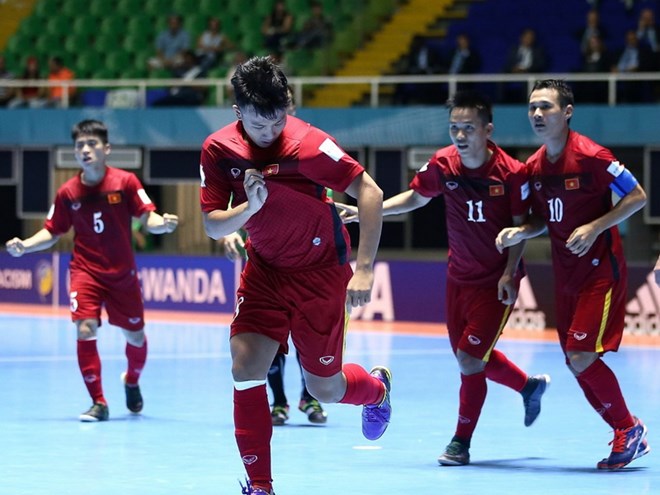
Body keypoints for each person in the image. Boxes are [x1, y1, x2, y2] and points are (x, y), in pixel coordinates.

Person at [198, 56, 390, 495]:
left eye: (277, 121)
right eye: (258, 125)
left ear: (288, 105)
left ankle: (377, 389)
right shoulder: (218, 149)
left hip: (320, 273)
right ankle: (260, 486)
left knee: (325, 389)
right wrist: (250, 209)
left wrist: (363, 270)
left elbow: (370, 192)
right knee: (245, 368)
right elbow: (212, 224)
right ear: (237, 113)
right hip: (264, 269)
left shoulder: (310, 145)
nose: (269, 133)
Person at [337, 90, 550, 467]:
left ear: (488, 130)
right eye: (454, 127)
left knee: (470, 360)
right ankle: (528, 387)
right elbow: (416, 198)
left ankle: (460, 443)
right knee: (470, 357)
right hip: (458, 278)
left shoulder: (512, 174)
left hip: (495, 282)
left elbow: (521, 228)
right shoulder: (443, 165)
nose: (460, 135)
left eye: (469, 128)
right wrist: (365, 212)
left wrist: (508, 272)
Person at [496, 79, 649, 470]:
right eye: (532, 107)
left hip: (601, 270)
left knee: (581, 355)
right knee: (573, 359)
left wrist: (596, 225)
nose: (536, 114)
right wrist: (520, 232)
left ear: (567, 112)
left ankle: (627, 429)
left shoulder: (592, 156)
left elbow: (637, 197)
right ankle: (628, 430)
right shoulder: (533, 168)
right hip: (567, 276)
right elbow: (539, 220)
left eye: (545, 107)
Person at [5, 119, 179, 422]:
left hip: (122, 275)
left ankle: (132, 380)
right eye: (79, 146)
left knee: (135, 337)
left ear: (106, 149)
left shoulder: (126, 182)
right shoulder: (67, 193)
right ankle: (98, 401)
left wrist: (161, 225)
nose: (85, 150)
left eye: (92, 144)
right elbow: (53, 231)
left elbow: (147, 216)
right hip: (85, 272)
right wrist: (26, 245)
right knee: (85, 328)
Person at [218, 87, 328, 426]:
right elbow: (230, 201)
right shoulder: (242, 149)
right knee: (268, 341)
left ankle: (310, 400)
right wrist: (230, 229)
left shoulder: (311, 145)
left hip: (310, 264)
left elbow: (325, 198)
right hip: (266, 261)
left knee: (306, 342)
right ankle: (279, 401)